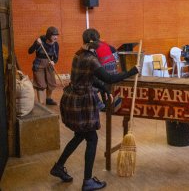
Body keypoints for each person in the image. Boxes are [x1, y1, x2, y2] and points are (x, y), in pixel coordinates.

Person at [50, 29, 139, 191]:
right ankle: (88, 181)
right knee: (92, 139)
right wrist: (133, 71)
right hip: (82, 103)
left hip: (72, 99)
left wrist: (104, 89)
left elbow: (88, 78)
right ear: (96, 42)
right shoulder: (91, 59)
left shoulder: (78, 54)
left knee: (79, 136)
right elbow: (110, 78)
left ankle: (58, 167)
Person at [28, 26, 60, 105]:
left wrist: (54, 62)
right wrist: (36, 44)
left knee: (51, 83)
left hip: (49, 64)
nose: (56, 37)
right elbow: (30, 51)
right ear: (49, 35)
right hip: (39, 65)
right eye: (54, 35)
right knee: (40, 85)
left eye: (57, 35)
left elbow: (56, 57)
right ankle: (41, 103)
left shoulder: (56, 45)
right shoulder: (40, 41)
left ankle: (48, 99)